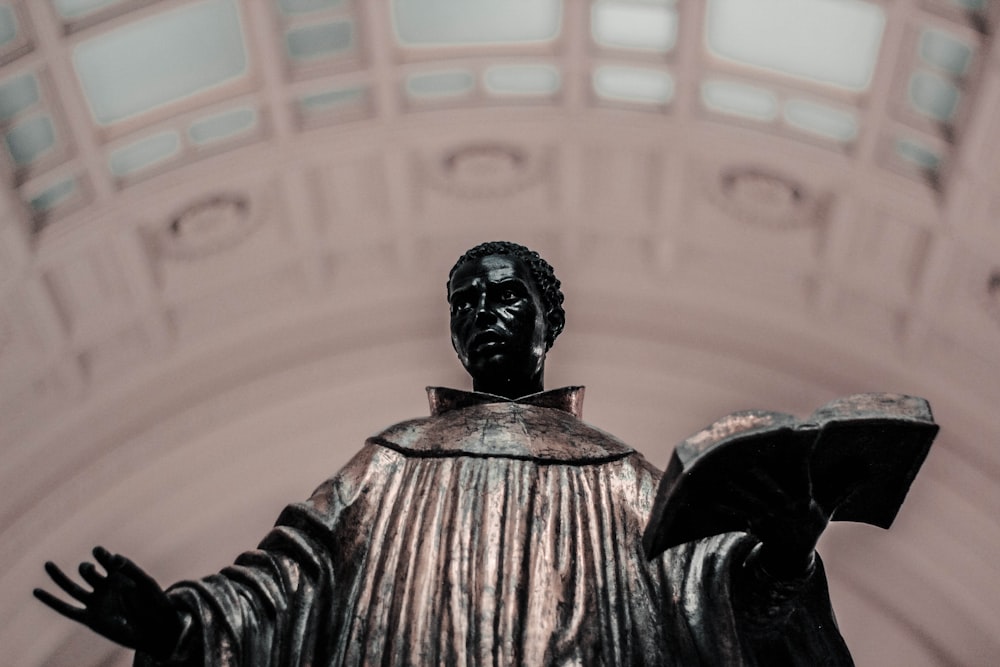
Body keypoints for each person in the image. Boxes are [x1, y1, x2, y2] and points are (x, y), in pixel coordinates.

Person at [36, 241, 852, 665]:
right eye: (464, 302)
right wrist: (175, 621)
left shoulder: (620, 478)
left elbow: (712, 608)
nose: (482, 312)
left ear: (548, 321)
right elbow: (282, 585)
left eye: (505, 295)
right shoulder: (389, 465)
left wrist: (784, 550)